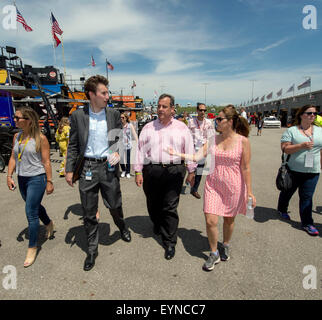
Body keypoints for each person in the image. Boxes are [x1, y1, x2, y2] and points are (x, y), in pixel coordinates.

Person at [168, 105, 256, 271]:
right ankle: (214, 253)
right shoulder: (212, 139)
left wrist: (249, 192)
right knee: (211, 220)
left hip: (233, 186)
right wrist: (178, 154)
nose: (216, 122)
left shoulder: (243, 142)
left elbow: (246, 168)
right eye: (216, 118)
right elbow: (196, 156)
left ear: (230, 122)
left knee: (229, 220)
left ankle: (226, 244)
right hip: (213, 184)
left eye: (220, 119)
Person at [65, 75, 131, 272]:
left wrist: (116, 152)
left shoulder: (113, 114)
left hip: (108, 167)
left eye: (107, 92)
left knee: (114, 204)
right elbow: (73, 144)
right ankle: (92, 250)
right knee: (88, 211)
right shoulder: (78, 116)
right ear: (92, 95)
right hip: (87, 168)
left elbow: (118, 139)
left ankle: (122, 226)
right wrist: (69, 169)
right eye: (103, 93)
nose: (107, 96)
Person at [134, 94, 196, 260]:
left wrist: (191, 171)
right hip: (152, 170)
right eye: (159, 106)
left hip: (174, 171)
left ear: (172, 109)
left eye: (164, 106)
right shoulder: (148, 128)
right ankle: (157, 223)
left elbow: (189, 150)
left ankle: (169, 242)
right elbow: (140, 150)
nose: (160, 109)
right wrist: (138, 171)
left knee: (169, 206)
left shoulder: (182, 128)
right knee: (153, 203)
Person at [7, 107, 54, 268]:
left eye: (18, 117)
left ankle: (32, 247)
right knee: (33, 206)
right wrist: (9, 175)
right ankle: (48, 223)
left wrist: (49, 181)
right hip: (22, 179)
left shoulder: (41, 139)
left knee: (30, 212)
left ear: (28, 120)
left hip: (37, 178)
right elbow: (13, 157)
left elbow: (46, 162)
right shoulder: (17, 136)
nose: (15, 119)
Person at [277, 105, 322, 236]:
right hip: (293, 170)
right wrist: (301, 146)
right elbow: (285, 148)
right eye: (309, 113)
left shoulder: (320, 131)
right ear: (301, 115)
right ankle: (282, 209)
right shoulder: (292, 131)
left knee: (307, 197)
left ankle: (307, 223)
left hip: (313, 171)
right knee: (287, 191)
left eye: (315, 113)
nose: (312, 116)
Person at [187, 103, 215, 199]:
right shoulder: (191, 122)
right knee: (191, 170)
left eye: (204, 110)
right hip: (192, 149)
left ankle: (194, 189)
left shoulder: (209, 122)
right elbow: (187, 136)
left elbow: (211, 137)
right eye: (201, 110)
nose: (203, 112)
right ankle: (190, 182)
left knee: (200, 171)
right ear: (197, 110)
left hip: (203, 150)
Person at [120, 113, 138, 178]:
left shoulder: (130, 125)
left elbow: (134, 134)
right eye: (121, 117)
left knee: (127, 159)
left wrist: (138, 142)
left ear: (126, 118)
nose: (121, 119)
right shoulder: (119, 125)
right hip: (121, 145)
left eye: (123, 117)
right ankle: (123, 170)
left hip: (128, 145)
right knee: (121, 159)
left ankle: (128, 172)